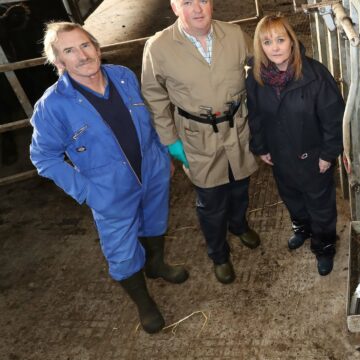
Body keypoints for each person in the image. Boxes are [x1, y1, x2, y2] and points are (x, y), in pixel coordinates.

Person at [29, 22, 188, 334]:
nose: (82, 55)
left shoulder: (123, 76)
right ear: (59, 62)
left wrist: (162, 154)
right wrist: (87, 191)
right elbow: (43, 157)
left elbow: (150, 119)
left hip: (152, 170)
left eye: (86, 45)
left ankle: (156, 264)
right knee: (122, 249)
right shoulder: (52, 106)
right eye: (69, 51)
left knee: (155, 221)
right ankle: (144, 302)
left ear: (97, 48)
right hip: (108, 189)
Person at [141, 0, 260, 284]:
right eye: (187, 2)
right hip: (196, 135)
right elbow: (154, 97)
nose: (197, 8)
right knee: (210, 200)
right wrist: (170, 141)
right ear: (174, 8)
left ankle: (239, 224)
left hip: (237, 127)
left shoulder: (233, 35)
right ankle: (219, 254)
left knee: (240, 185)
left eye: (203, 0)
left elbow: (260, 67)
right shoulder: (158, 47)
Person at [246, 15, 344, 276]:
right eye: (267, 42)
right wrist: (261, 146)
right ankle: (302, 229)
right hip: (280, 156)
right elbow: (255, 115)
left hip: (313, 157)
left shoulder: (314, 75)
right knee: (290, 196)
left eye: (280, 39)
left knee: (320, 205)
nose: (275, 47)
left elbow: (334, 118)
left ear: (292, 41)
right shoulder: (257, 77)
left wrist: (328, 154)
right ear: (260, 46)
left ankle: (324, 246)